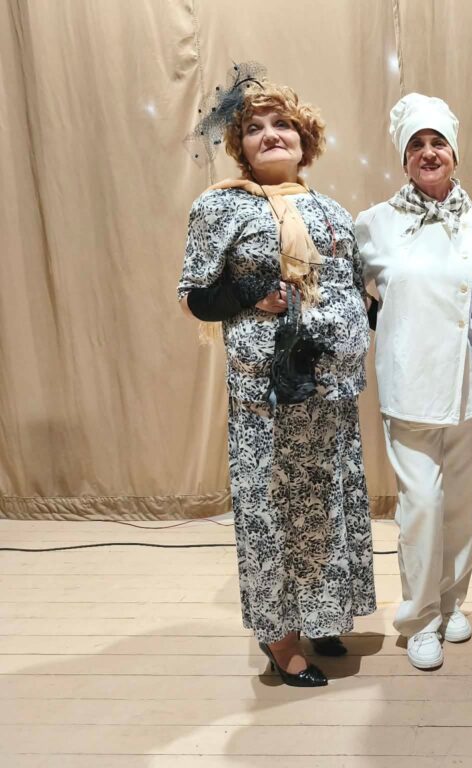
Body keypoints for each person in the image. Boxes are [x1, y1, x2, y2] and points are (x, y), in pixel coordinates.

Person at [177, 66, 375, 687]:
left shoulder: (331, 210)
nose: (270, 134)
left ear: (304, 138)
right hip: (265, 395)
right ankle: (281, 638)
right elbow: (195, 297)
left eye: (282, 124)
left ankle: (321, 615)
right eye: (255, 128)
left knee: (326, 502)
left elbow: (350, 286)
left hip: (329, 391)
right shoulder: (219, 207)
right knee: (272, 511)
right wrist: (252, 292)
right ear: (240, 146)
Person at [355, 94, 472, 670]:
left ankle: (451, 599)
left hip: (471, 386)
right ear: (403, 157)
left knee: (463, 505)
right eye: (416, 144)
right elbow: (351, 299)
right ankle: (419, 618)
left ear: (455, 152)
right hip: (410, 386)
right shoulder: (373, 224)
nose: (428, 152)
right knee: (420, 507)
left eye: (438, 141)